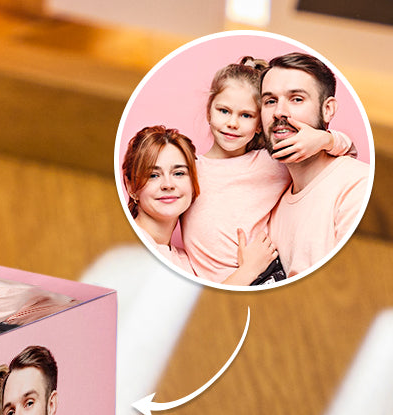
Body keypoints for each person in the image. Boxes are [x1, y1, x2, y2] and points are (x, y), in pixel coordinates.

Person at [179, 56, 355, 285]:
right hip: (220, 288)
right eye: (224, 111)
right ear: (209, 111)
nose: (233, 123)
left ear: (260, 124)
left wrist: (322, 139)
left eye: (246, 115)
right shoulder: (186, 171)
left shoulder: (271, 162)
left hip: (265, 279)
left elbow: (348, 153)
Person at [123, 125, 277, 286]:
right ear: (131, 187)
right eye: (153, 175)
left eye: (179, 173)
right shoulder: (130, 249)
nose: (168, 184)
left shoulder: (184, 261)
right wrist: (249, 270)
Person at [261, 52, 371, 276]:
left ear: (327, 109)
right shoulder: (274, 208)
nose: (279, 112)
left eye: (297, 99)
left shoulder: (358, 186)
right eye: (270, 101)